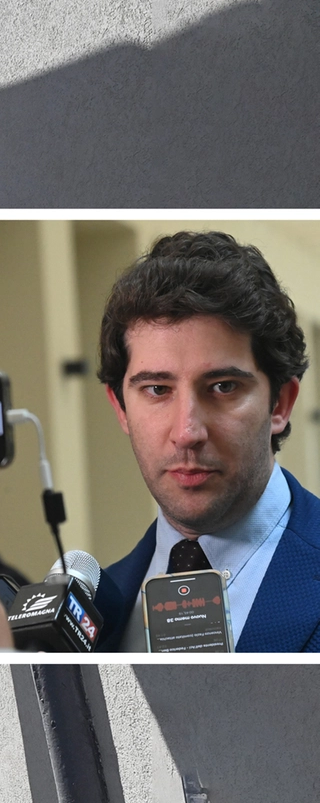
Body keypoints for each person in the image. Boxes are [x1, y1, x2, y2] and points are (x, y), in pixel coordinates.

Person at [92, 233, 320, 652]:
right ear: (121, 407)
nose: (187, 432)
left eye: (222, 386)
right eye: (158, 390)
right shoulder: (96, 611)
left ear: (280, 404)